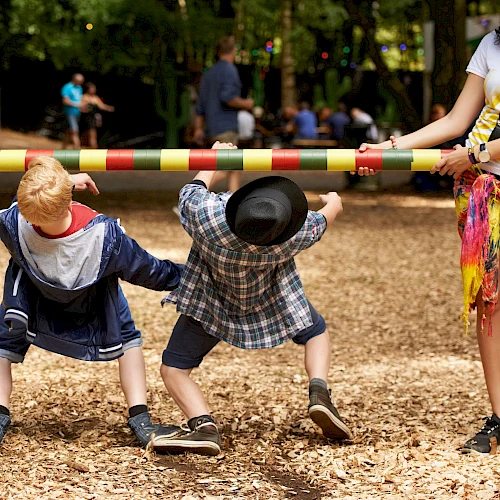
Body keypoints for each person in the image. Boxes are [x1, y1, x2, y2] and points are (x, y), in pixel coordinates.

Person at [152, 141, 352, 456]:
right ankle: (319, 392)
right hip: (271, 304)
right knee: (316, 332)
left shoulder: (208, 219)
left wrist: (216, 157)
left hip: (210, 306)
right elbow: (326, 217)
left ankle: (203, 426)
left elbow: (192, 190)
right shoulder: (294, 235)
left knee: (173, 369)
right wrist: (333, 202)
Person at [358, 27, 500, 454]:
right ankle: (499, 416)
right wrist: (390, 148)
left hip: (480, 166)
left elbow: (468, 143)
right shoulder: (492, 43)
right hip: (486, 191)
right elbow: (457, 121)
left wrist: (473, 154)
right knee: (490, 301)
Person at [0, 157, 185, 447]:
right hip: (93, 305)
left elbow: (20, 204)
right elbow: (150, 271)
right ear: (69, 200)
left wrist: (64, 183)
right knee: (128, 340)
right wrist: (190, 276)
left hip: (32, 301)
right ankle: (140, 418)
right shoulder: (105, 236)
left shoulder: (12, 222)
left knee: (3, 343)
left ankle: (0, 414)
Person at [194, 35, 253, 193]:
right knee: (225, 167)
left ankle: (233, 204)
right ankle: (190, 196)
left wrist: (198, 128)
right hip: (225, 126)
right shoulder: (229, 70)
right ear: (233, 51)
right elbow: (228, 98)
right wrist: (247, 104)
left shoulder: (209, 73)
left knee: (235, 166)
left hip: (211, 126)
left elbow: (199, 105)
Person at [80, 82, 115, 149]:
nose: (94, 89)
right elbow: (81, 107)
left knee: (92, 136)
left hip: (93, 119)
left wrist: (109, 108)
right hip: (86, 119)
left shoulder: (95, 97)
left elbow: (102, 106)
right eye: (92, 88)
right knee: (88, 136)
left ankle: (93, 150)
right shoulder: (85, 97)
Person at [61, 73, 84, 150]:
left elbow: (79, 100)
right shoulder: (67, 87)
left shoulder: (79, 88)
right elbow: (65, 101)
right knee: (75, 131)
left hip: (77, 112)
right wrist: (77, 105)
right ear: (75, 79)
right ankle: (78, 150)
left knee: (69, 132)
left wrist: (82, 106)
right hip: (69, 112)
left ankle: (62, 150)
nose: (81, 83)